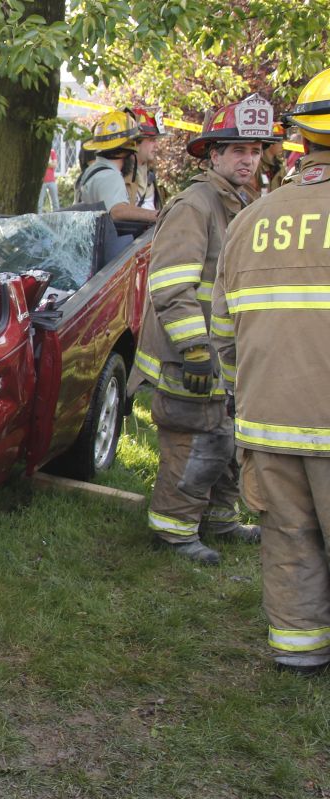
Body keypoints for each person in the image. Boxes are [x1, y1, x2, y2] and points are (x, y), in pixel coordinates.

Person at [211, 69, 330, 673]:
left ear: (300, 140)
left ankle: (299, 652)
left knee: (288, 541)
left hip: (267, 424)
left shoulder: (250, 221)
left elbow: (224, 334)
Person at [128, 95, 278, 564]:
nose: (248, 159)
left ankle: (219, 519)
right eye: (236, 150)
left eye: (255, 151)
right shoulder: (196, 204)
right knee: (194, 438)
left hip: (225, 354)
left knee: (226, 435)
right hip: (188, 354)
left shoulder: (243, 203)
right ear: (213, 155)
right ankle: (174, 530)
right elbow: (171, 283)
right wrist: (194, 346)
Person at [75, 109, 158, 223]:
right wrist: (158, 215)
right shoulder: (110, 176)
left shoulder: (92, 171)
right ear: (125, 151)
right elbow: (117, 211)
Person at [126, 108, 163, 211]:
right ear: (135, 142)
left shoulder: (150, 175)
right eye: (152, 140)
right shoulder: (119, 176)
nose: (157, 145)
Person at [38, 148, 59, 212]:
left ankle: (56, 219)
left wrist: (44, 162)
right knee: (39, 204)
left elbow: (55, 165)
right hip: (42, 181)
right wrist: (49, 163)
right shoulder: (39, 152)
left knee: (55, 203)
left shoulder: (52, 151)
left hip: (51, 181)